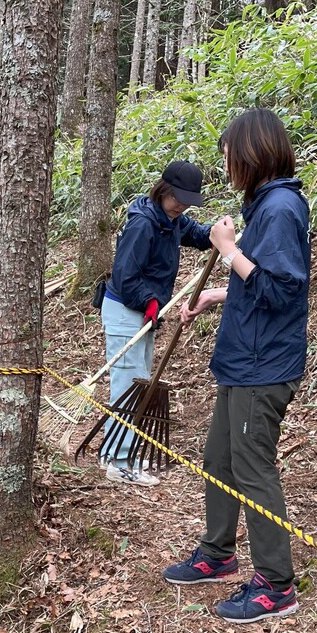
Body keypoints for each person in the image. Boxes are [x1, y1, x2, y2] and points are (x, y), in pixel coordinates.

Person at [161, 108, 311, 625]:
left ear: (251, 153)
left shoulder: (281, 208)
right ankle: (217, 553)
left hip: (263, 365)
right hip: (242, 358)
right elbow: (260, 280)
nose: (227, 167)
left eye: (229, 157)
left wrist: (226, 250)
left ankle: (275, 585)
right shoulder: (266, 204)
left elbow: (283, 291)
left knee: (252, 468)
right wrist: (219, 294)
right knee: (220, 460)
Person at [98, 160, 212, 488]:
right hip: (125, 310)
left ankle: (118, 451)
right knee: (128, 385)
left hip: (145, 312)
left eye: (188, 201)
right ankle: (119, 461)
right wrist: (149, 300)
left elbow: (196, 234)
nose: (181, 206)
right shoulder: (143, 224)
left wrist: (215, 234)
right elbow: (125, 275)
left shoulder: (170, 220)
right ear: (163, 190)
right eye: (177, 198)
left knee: (139, 382)